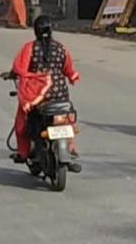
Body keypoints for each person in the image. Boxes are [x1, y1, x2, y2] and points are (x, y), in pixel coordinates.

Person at [7, 15, 82, 172]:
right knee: (66, 121)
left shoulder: (30, 48)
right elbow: (68, 69)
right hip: (60, 94)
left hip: (38, 95)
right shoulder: (61, 48)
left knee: (21, 123)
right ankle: (70, 148)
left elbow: (20, 68)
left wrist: (14, 74)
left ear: (35, 31)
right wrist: (72, 76)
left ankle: (23, 152)